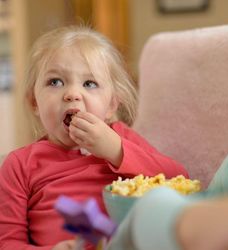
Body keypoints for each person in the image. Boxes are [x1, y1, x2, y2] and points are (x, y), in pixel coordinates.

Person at [0, 25, 189, 250]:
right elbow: (7, 242)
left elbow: (179, 178)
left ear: (111, 106)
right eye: (55, 82)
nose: (72, 94)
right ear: (34, 103)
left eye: (89, 84)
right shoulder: (19, 165)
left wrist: (115, 151)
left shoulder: (120, 139)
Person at [107, 148, 228, 250]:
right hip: (160, 227)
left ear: (113, 105)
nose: (75, 94)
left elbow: (173, 171)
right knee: (153, 203)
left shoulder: (119, 135)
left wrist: (114, 148)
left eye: (90, 84)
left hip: (198, 207)